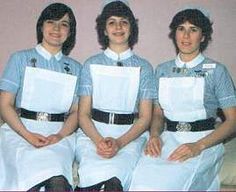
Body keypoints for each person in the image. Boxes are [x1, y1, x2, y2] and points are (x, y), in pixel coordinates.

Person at [129, 7, 236, 191]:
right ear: (174, 33)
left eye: (193, 29)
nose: (186, 36)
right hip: (168, 138)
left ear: (203, 37)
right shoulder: (162, 70)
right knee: (140, 182)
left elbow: (233, 121)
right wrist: (155, 136)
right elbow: (158, 114)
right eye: (181, 28)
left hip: (205, 142)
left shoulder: (217, 71)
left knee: (172, 184)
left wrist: (198, 146)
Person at [75, 0, 156, 191]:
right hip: (92, 134)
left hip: (129, 137)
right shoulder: (90, 64)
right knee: (92, 176)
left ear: (131, 28)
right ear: (104, 30)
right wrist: (99, 141)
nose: (118, 27)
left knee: (117, 176)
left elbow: (145, 117)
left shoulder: (144, 67)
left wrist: (119, 143)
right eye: (111, 22)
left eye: (124, 22)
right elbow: (83, 114)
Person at [0, 3, 81, 191]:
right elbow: (5, 105)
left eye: (64, 24)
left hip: (58, 136)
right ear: (41, 26)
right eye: (51, 22)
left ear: (70, 32)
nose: (56, 29)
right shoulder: (19, 59)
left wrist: (59, 135)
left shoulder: (76, 68)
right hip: (20, 132)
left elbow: (77, 111)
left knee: (58, 181)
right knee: (28, 182)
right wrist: (28, 136)